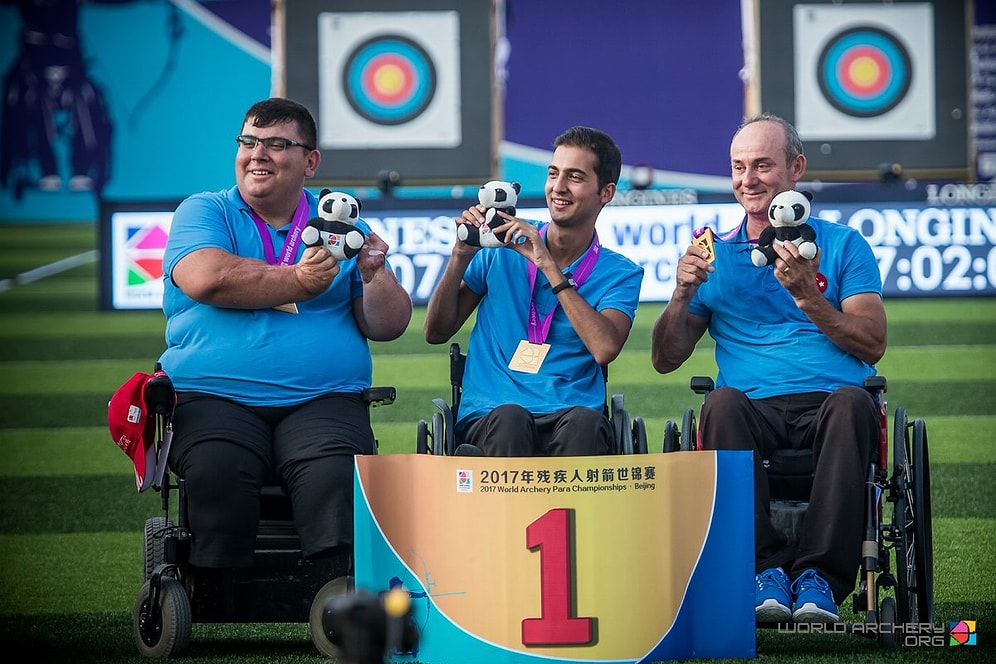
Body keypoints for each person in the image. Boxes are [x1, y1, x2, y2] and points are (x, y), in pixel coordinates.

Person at [158, 97, 413, 606]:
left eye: (276, 145)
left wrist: (374, 272)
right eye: (249, 142)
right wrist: (297, 279)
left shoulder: (339, 224)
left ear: (310, 161)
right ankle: (216, 594)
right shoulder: (205, 210)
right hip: (214, 396)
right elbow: (207, 278)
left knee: (335, 471)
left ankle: (331, 600)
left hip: (324, 398)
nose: (258, 155)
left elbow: (389, 325)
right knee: (217, 467)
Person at [650, 113, 885, 624]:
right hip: (750, 407)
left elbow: (873, 343)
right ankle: (765, 573)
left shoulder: (844, 245)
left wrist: (808, 296)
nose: (747, 179)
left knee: (853, 402)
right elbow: (666, 359)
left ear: (795, 168)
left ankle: (820, 577)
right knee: (720, 402)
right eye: (738, 167)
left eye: (762, 165)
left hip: (830, 402)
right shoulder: (713, 251)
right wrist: (682, 292)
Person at [424, 126, 644, 456]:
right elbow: (436, 332)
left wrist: (549, 267)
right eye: (553, 173)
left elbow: (604, 348)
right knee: (511, 418)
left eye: (575, 177)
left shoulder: (620, 273)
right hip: (492, 413)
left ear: (606, 192)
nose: (558, 187)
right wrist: (459, 257)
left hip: (572, 415)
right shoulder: (499, 245)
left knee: (585, 424)